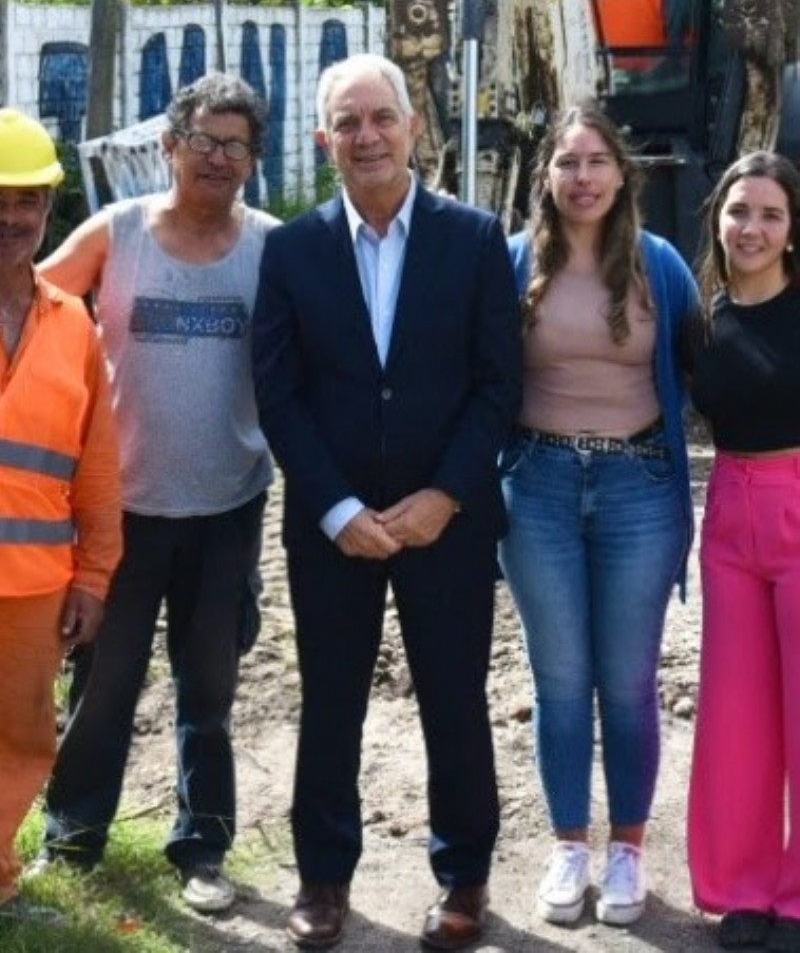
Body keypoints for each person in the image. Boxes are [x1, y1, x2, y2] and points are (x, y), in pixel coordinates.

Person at [251, 53, 521, 950]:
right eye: (347, 122)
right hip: (333, 529)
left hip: (447, 521)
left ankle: (464, 879)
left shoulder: (476, 238)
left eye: (382, 117)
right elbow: (277, 393)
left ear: (413, 128)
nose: (366, 135)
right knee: (329, 701)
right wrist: (334, 510)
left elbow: (498, 385)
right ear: (325, 138)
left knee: (454, 697)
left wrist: (445, 495)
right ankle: (324, 880)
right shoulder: (290, 250)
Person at [30, 73, 280, 914]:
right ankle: (73, 838)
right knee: (102, 683)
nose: (217, 156)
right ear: (168, 147)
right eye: (202, 139)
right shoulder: (119, 233)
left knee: (208, 688)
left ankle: (201, 847)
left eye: (235, 143)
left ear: (253, 158)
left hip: (228, 506)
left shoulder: (272, 249)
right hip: (121, 510)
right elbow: (31, 304)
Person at [499, 102, 697, 927]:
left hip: (637, 488)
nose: (582, 177)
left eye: (596, 162)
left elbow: (717, 361)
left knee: (627, 682)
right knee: (559, 681)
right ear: (547, 177)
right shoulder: (514, 265)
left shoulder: (661, 265)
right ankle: (569, 845)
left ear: (622, 174)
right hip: (537, 486)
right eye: (567, 163)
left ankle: (627, 852)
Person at [0, 109, 121, 918]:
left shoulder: (71, 322)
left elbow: (98, 464)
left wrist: (96, 575)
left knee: (22, 742)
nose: (10, 219)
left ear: (49, 208)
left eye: (27, 202)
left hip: (35, 583)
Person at [686, 151, 800, 953]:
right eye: (739, 212)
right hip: (728, 515)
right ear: (717, 219)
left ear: (792, 230)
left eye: (770, 214)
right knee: (738, 714)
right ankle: (745, 888)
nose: (751, 228)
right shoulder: (702, 321)